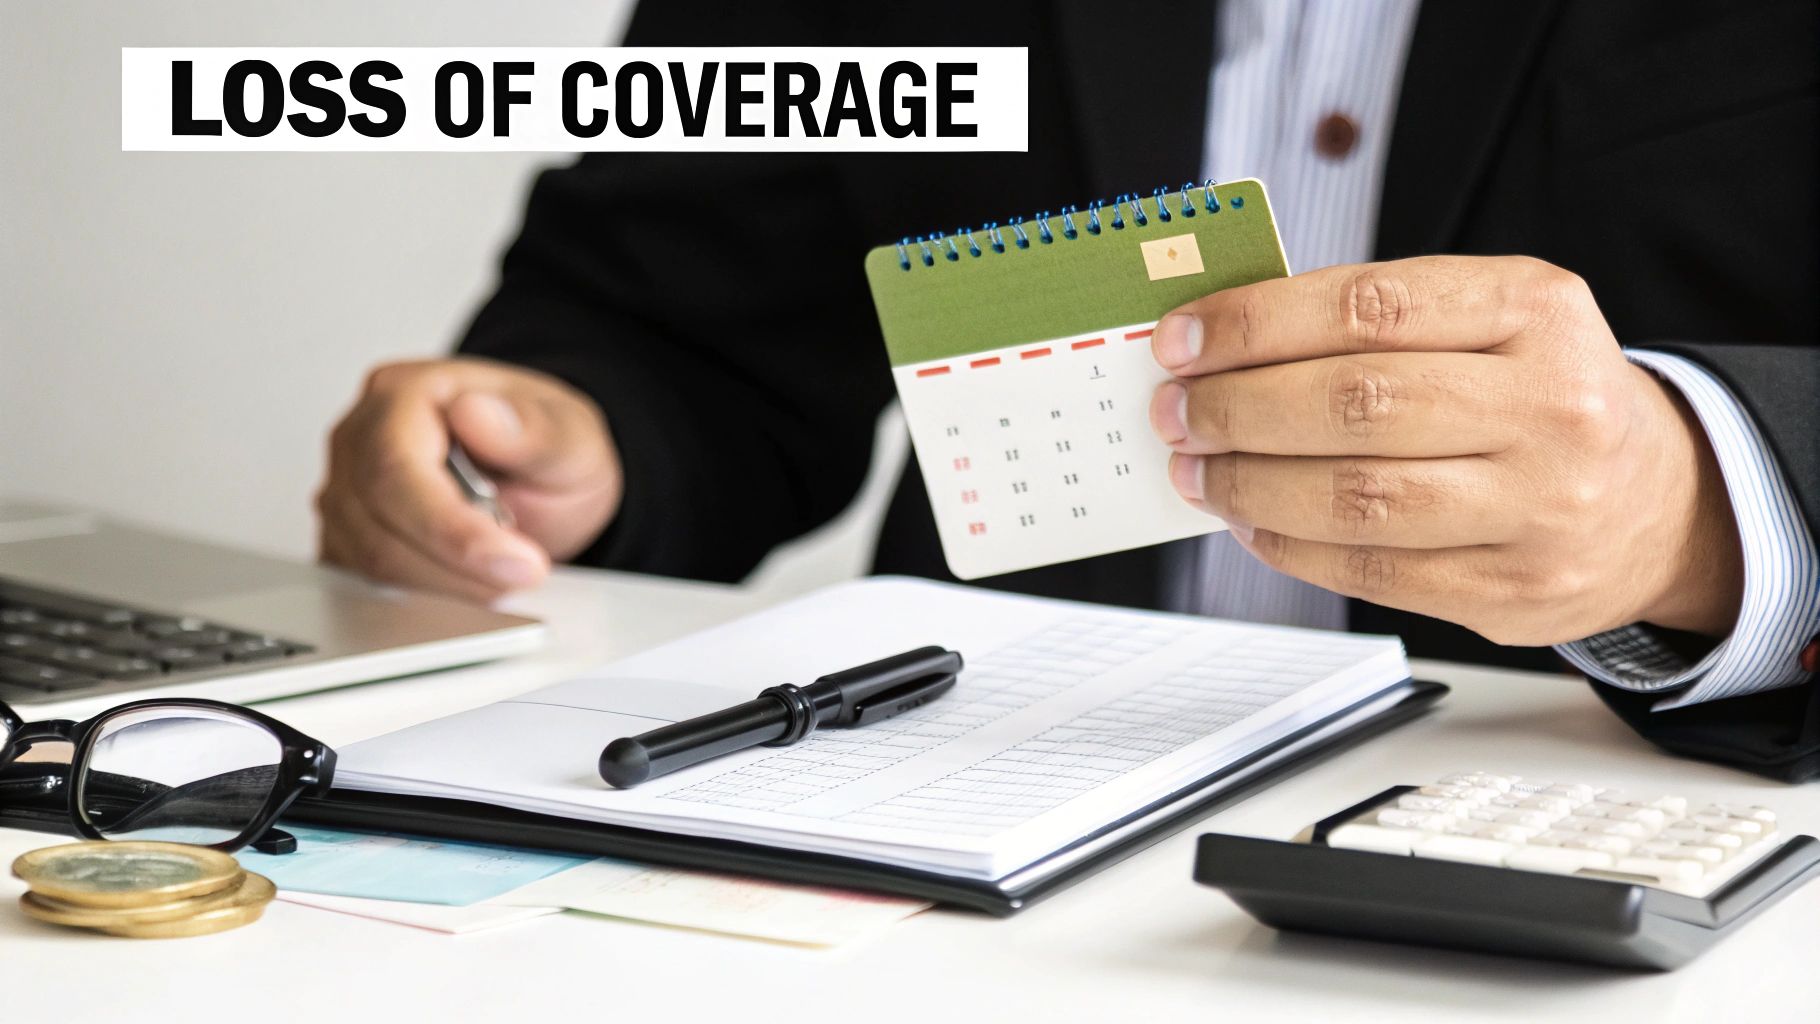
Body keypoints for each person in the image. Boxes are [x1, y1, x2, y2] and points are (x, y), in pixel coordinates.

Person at [316, 0, 1820, 778]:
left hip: (1634, 861)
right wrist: (577, 438)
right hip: (954, 828)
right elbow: (678, 309)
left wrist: (1701, 512)